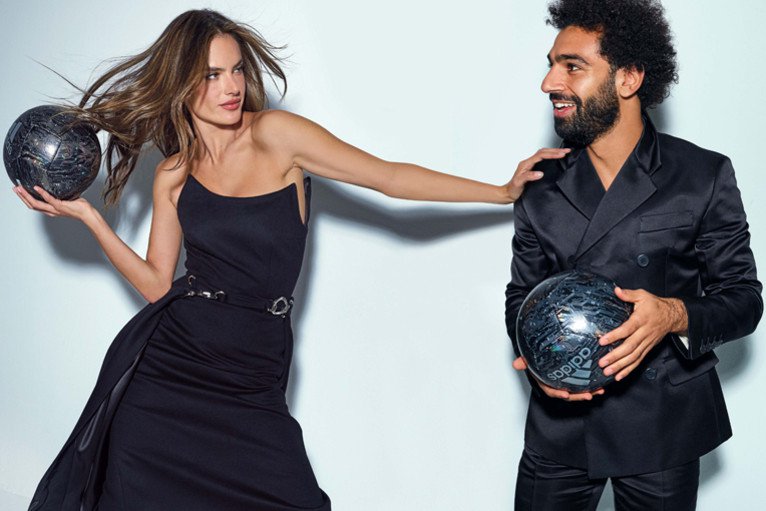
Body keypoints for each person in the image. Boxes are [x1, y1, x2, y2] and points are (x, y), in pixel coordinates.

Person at [13, 9, 567, 511]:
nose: (231, 86)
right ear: (181, 84)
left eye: (236, 69)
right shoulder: (173, 174)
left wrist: (500, 192)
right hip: (171, 368)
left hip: (252, 367)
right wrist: (92, 221)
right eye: (212, 75)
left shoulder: (277, 136)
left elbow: (389, 177)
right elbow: (159, 285)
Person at [504, 0, 762, 509]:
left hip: (662, 425)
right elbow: (521, 296)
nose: (549, 83)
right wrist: (540, 364)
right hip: (560, 428)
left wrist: (673, 314)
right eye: (551, 65)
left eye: (572, 66)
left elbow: (744, 300)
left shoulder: (702, 175)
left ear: (629, 78)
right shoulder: (538, 184)